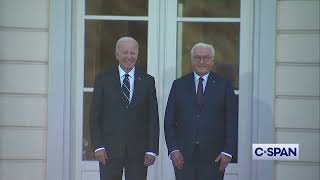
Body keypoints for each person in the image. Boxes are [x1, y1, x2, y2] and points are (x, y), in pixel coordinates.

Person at [164, 42, 237, 180]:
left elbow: (231, 121)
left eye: (206, 58)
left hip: (214, 156)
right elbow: (169, 121)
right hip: (183, 156)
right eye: (197, 57)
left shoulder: (224, 85)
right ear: (191, 60)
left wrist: (228, 151)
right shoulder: (179, 85)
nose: (201, 61)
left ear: (212, 60)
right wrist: (173, 149)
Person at [90, 37, 159, 180]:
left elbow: (153, 117)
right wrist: (98, 146)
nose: (129, 56)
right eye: (125, 53)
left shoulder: (148, 81)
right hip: (109, 151)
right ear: (117, 54)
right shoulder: (103, 79)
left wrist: (152, 150)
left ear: (137, 54)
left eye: (132, 53)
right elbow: (95, 116)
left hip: (138, 152)